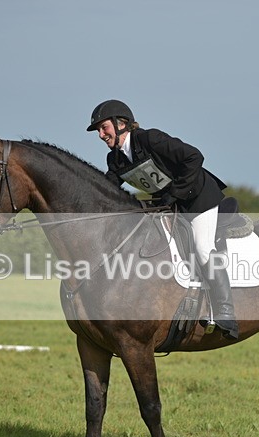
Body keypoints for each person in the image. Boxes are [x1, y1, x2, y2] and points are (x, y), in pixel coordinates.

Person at [86, 99, 238, 339]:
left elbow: (194, 157)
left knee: (203, 246)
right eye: (98, 131)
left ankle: (226, 311)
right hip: (170, 206)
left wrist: (173, 194)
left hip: (198, 200)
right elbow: (109, 191)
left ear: (121, 123)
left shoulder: (149, 139)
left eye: (104, 128)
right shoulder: (115, 160)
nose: (101, 135)